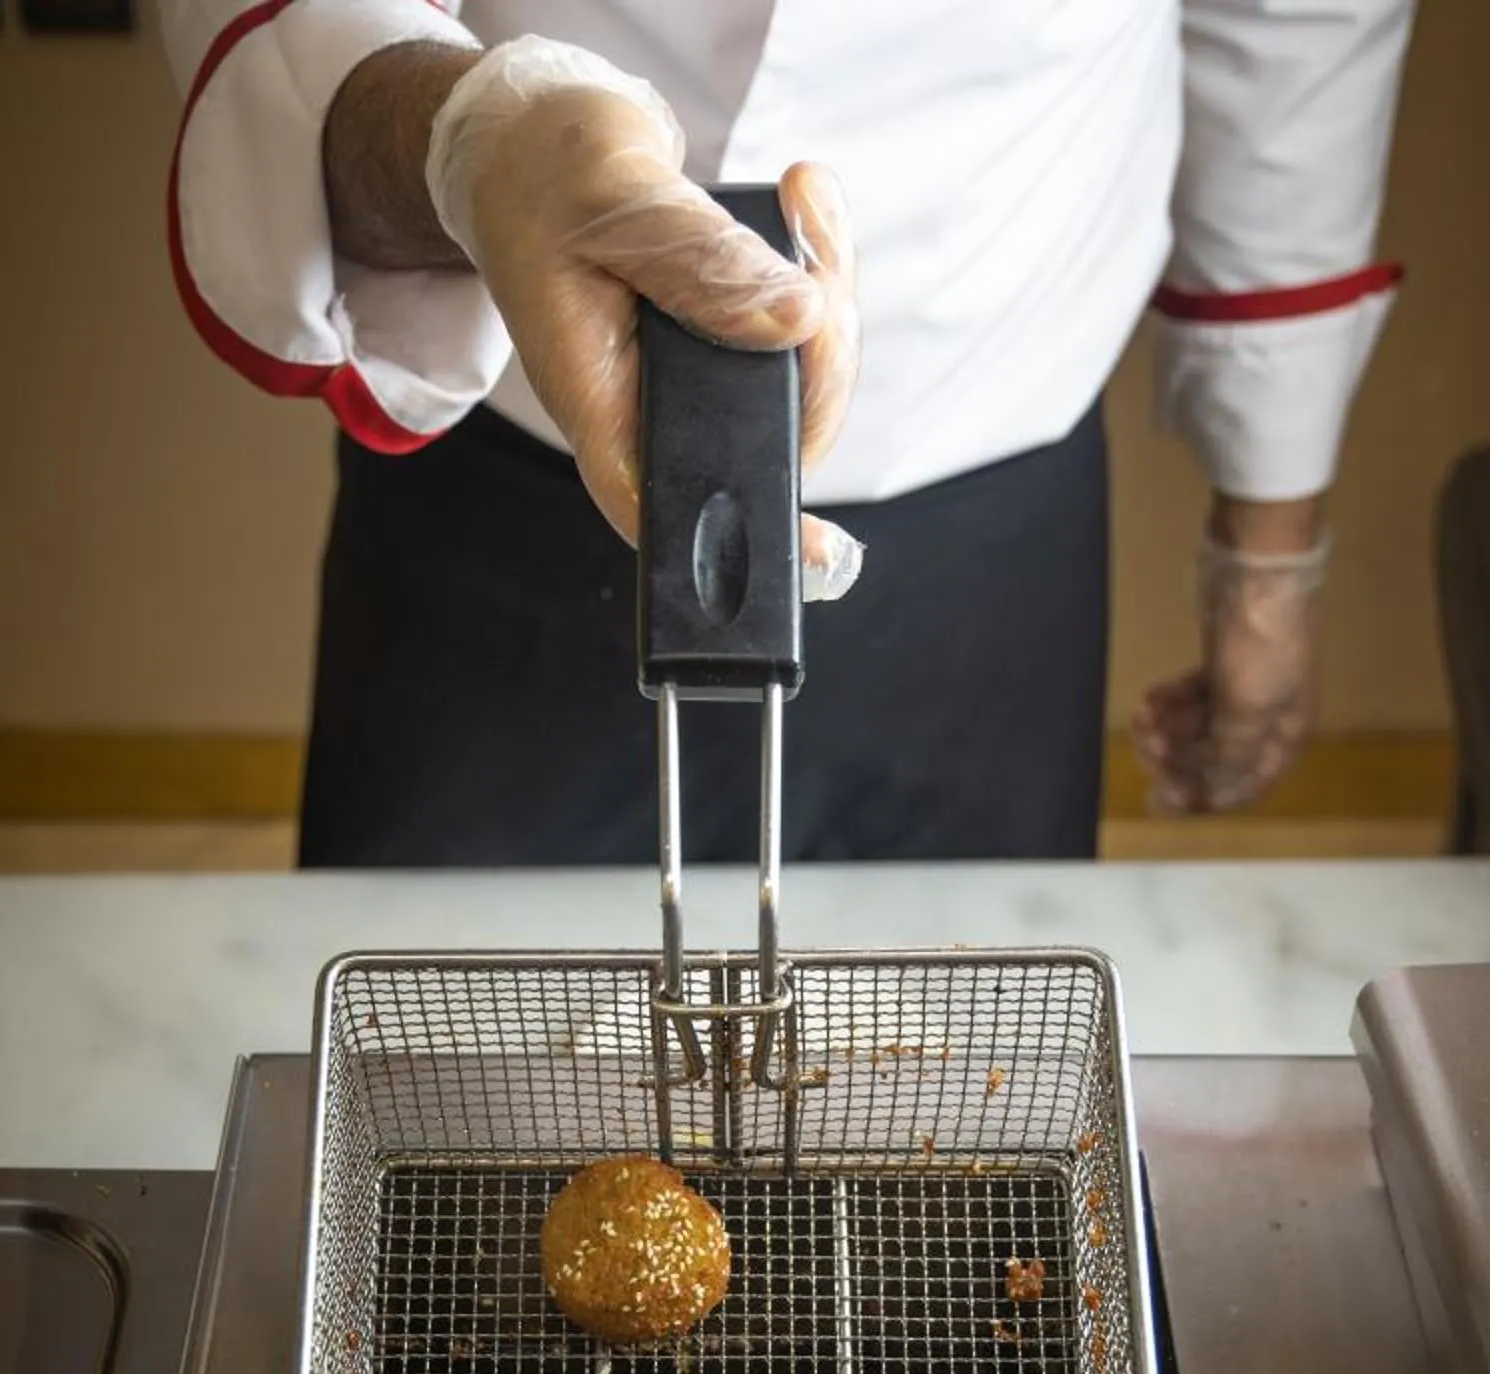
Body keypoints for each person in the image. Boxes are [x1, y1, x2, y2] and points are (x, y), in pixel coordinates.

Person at [160, 1, 1414, 866]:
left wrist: (1268, 547)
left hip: (981, 460)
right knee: (436, 1119)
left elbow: (1293, 33)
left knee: (958, 1150)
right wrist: (460, 139)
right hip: (507, 434)